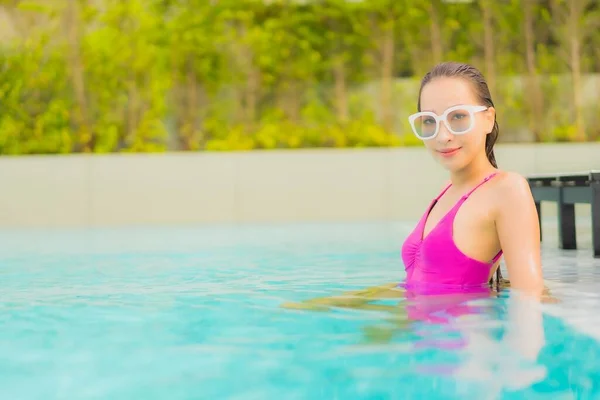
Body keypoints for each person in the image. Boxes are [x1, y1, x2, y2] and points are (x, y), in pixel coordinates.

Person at [401, 61, 544, 298]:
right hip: (420, 332)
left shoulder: (507, 190)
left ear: (488, 119)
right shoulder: (447, 190)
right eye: (429, 120)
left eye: (458, 116)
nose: (442, 135)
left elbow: (530, 296)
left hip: (463, 333)